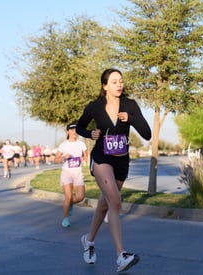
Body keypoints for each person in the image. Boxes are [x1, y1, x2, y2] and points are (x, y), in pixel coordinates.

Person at [76, 68, 151, 272]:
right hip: (101, 158)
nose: (119, 84)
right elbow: (79, 127)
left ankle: (88, 240)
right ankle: (121, 255)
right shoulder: (95, 106)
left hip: (121, 161)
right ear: (105, 85)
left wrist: (132, 119)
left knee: (105, 205)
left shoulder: (130, 105)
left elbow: (147, 134)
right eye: (115, 81)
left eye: (121, 81)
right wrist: (90, 133)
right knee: (115, 201)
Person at [54, 122, 88, 228]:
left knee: (80, 197)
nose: (74, 132)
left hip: (77, 173)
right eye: (72, 130)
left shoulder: (81, 144)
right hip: (66, 173)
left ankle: (70, 204)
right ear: (67, 132)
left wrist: (84, 159)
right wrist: (64, 157)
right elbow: (55, 160)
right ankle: (65, 218)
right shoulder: (63, 145)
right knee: (68, 197)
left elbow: (86, 155)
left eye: (76, 130)